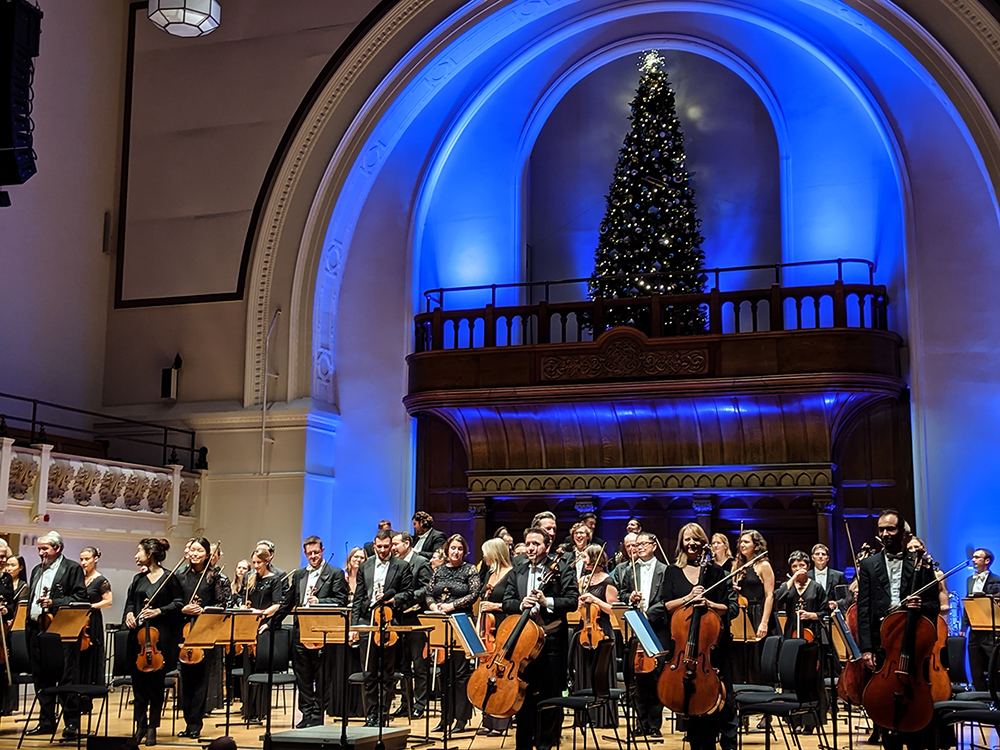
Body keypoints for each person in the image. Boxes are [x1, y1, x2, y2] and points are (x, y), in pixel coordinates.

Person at [857, 509, 941, 750]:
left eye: (890, 529)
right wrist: (866, 649)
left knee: (913, 710)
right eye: (881, 529)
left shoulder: (920, 564)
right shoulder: (869, 565)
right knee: (885, 710)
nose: (885, 534)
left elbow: (934, 605)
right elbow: (863, 609)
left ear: (903, 533)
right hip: (883, 643)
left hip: (912, 642)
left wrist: (921, 604)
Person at [653, 523, 739, 750]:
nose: (691, 544)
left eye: (696, 539)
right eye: (687, 539)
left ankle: (727, 743)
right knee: (691, 703)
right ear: (681, 543)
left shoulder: (717, 573)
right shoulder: (672, 572)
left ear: (704, 543)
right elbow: (663, 607)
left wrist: (709, 604)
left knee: (725, 703)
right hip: (683, 650)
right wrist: (687, 598)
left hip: (714, 652)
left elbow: (733, 608)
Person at [501, 526, 576, 750]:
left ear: (548, 546)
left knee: (550, 694)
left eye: (536, 544)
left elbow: (572, 600)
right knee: (522, 693)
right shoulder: (518, 570)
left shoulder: (562, 569)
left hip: (551, 641)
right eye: (529, 544)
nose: (531, 548)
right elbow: (506, 601)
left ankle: (546, 743)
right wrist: (519, 604)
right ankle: (523, 744)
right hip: (523, 643)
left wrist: (547, 602)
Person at [279, 535, 347, 729]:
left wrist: (321, 602)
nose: (313, 556)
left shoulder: (334, 573)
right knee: (303, 675)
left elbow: (340, 600)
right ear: (305, 553)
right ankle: (306, 712)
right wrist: (270, 622)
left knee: (322, 675)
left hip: (322, 631)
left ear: (323, 550)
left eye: (316, 552)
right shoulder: (299, 574)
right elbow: (289, 601)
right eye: (310, 553)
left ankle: (318, 713)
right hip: (301, 631)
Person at [25, 531, 88, 739]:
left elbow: (80, 597)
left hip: (62, 630)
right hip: (37, 629)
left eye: (45, 549)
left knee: (66, 676)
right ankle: (46, 722)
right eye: (39, 548)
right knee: (41, 677)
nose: (41, 552)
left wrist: (55, 603)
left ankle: (71, 723)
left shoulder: (72, 568)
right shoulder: (36, 569)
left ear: (58, 548)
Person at [124, 538, 184, 746]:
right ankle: (140, 725)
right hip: (139, 636)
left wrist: (159, 610)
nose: (136, 555)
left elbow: (178, 603)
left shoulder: (169, 578)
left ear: (149, 554)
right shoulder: (137, 579)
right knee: (138, 685)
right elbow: (130, 601)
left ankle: (152, 727)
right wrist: (129, 614)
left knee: (156, 685)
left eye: (139, 551)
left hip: (160, 637)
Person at [351, 528, 413, 728]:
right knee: (369, 672)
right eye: (380, 547)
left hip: (389, 622)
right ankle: (371, 715)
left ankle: (384, 715)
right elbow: (359, 596)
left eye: (387, 547)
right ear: (374, 545)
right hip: (367, 621)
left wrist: (393, 599)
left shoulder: (401, 566)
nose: (383, 550)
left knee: (387, 674)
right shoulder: (365, 566)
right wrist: (355, 624)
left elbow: (409, 592)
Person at [426, 533, 480, 733]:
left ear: (464, 551)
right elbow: (429, 593)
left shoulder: (470, 569)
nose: (455, 552)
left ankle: (461, 719)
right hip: (441, 622)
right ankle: (445, 718)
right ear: (447, 550)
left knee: (460, 673)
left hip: (462, 621)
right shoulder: (439, 570)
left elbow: (474, 593)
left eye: (459, 549)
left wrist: (451, 605)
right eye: (452, 548)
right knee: (444, 673)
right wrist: (433, 607)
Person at [617, 531, 668, 736]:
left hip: (657, 629)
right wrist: (630, 596)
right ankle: (640, 723)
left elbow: (666, 600)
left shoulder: (665, 570)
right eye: (636, 544)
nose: (638, 547)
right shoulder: (630, 570)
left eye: (643, 543)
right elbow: (620, 593)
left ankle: (654, 725)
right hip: (636, 629)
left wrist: (650, 615)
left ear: (654, 545)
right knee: (637, 678)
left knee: (656, 677)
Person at [176, 537, 228, 738]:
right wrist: (183, 608)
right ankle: (188, 721)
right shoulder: (181, 576)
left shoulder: (215, 577)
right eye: (193, 550)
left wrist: (203, 610)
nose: (196, 554)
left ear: (207, 554)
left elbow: (222, 605)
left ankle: (196, 724)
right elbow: (174, 603)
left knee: (201, 680)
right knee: (186, 680)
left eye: (200, 551)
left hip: (206, 632)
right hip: (184, 632)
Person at [774, 550, 827, 732]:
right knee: (793, 675)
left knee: (809, 677)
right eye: (795, 566)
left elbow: (825, 611)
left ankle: (810, 721)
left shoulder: (817, 587)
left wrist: (812, 615)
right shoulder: (787, 586)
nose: (799, 569)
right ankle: (794, 720)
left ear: (808, 566)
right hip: (791, 633)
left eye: (802, 566)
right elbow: (778, 598)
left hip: (811, 634)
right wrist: (791, 580)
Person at [570, 544, 618, 728]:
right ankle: (584, 717)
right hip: (583, 629)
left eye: (585, 557)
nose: (583, 560)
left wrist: (594, 599)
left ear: (595, 558)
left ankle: (604, 717)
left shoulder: (608, 581)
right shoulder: (582, 580)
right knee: (582, 671)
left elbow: (612, 609)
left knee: (601, 672)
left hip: (602, 629)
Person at [390, 531, 432, 720]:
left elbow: (427, 588)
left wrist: (408, 597)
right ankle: (406, 703)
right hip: (399, 618)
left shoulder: (420, 562)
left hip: (417, 618)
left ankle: (420, 703)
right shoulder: (395, 563)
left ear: (407, 544)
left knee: (419, 664)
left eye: (396, 544)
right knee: (404, 664)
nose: (393, 547)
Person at [241, 547, 283, 724]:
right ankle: (248, 710)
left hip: (264, 626)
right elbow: (241, 597)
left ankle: (260, 710)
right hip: (248, 626)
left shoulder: (275, 580)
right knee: (247, 668)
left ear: (267, 562)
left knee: (261, 667)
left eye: (259, 563)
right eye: (254, 563)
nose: (255, 566)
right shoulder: (249, 578)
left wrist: (262, 613)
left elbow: (277, 604)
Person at [477, 537, 514, 737]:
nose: (483, 556)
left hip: (502, 627)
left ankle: (501, 722)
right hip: (487, 630)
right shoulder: (489, 574)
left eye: (486, 552)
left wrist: (496, 606)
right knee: (486, 675)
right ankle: (488, 720)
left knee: (500, 675)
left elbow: (513, 602)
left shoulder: (511, 574)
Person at [731, 529, 775, 685]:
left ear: (755, 545)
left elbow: (769, 595)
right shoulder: (737, 564)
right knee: (738, 656)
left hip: (756, 613)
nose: (742, 545)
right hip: (739, 613)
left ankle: (757, 694)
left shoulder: (763, 565)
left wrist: (764, 622)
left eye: (746, 542)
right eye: (740, 542)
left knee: (755, 658)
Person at [329, 547, 367, 720]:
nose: (358, 559)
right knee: (340, 666)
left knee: (357, 665)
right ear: (349, 558)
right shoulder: (340, 578)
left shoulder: (367, 579)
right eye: (355, 556)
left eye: (361, 557)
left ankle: (358, 707)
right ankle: (339, 707)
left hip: (360, 625)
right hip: (341, 626)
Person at [78, 547, 112, 715]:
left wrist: (90, 606)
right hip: (79, 621)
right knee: (79, 660)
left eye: (87, 559)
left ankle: (87, 699)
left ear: (95, 559)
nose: (83, 562)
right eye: (81, 559)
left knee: (90, 657)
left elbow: (108, 601)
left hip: (93, 621)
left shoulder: (101, 580)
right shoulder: (80, 578)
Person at [965, 547, 1000, 691]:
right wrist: (963, 628)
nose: (973, 560)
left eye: (977, 557)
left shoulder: (996, 580)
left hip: (990, 630)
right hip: (974, 630)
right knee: (976, 666)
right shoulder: (969, 580)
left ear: (987, 561)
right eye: (973, 557)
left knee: (994, 666)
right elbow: (968, 604)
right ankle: (980, 699)